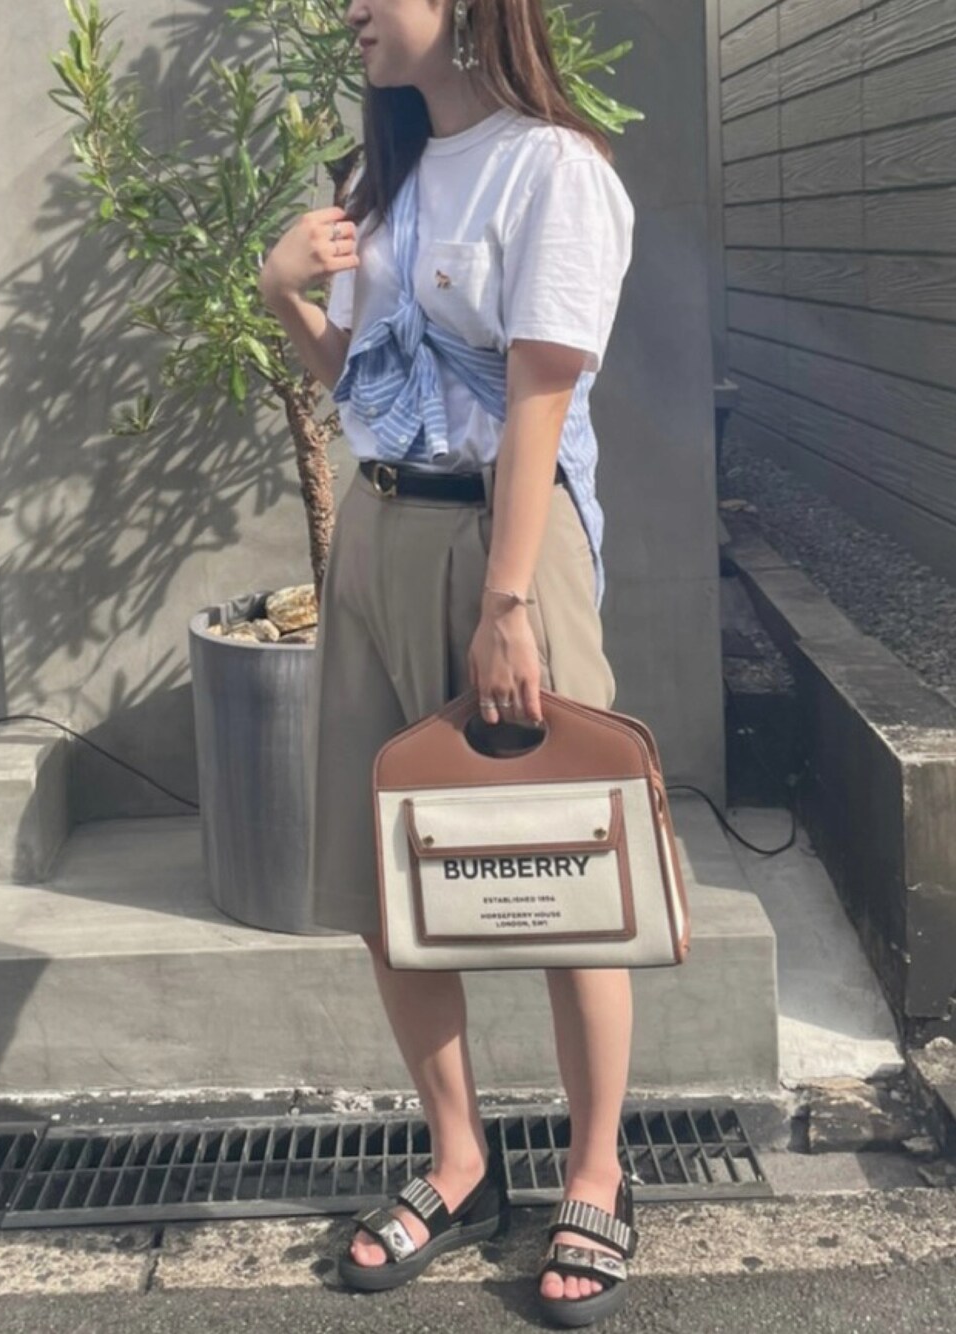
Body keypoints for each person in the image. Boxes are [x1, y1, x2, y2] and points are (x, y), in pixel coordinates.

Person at [259, 0, 636, 1325]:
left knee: (567, 869)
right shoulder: (381, 181)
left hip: (504, 546)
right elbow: (366, 389)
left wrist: (509, 599)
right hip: (377, 535)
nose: (350, 9)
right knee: (392, 877)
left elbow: (540, 393)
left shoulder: (553, 169)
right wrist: (282, 294)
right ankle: (461, 1160)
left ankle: (597, 1168)